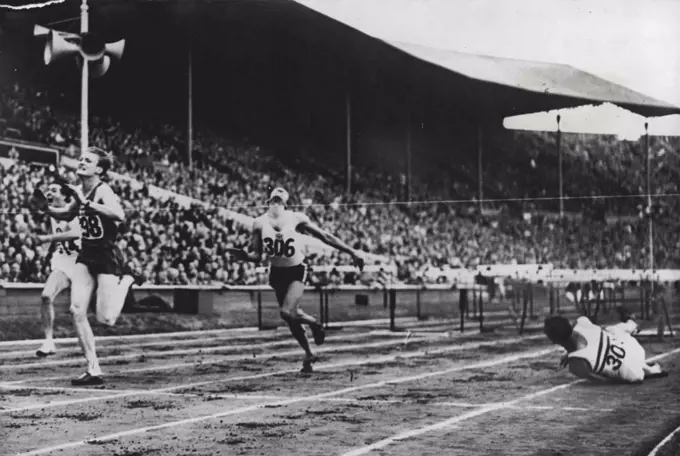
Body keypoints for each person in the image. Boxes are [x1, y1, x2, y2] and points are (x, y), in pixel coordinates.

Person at [228, 187, 365, 373]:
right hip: (276, 273)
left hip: (296, 270)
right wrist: (245, 256)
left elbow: (324, 236)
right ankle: (309, 353)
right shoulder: (259, 223)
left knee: (286, 311)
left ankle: (315, 323)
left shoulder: (296, 218)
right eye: (273, 200)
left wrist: (352, 251)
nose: (276, 204)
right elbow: (257, 255)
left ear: (286, 204)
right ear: (268, 202)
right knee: (292, 318)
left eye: (279, 201)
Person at [45, 147, 142, 385]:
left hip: (106, 254)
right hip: (86, 253)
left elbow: (119, 215)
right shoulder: (78, 190)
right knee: (76, 311)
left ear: (99, 169)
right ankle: (93, 368)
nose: (81, 162)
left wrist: (89, 204)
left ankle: (128, 279)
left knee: (106, 319)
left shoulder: (103, 190)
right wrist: (44, 208)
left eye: (88, 160)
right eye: (80, 159)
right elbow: (68, 214)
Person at [544, 306, 668, 384]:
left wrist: (571, 354)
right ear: (569, 324)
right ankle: (632, 324)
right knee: (610, 330)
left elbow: (603, 380)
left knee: (621, 369)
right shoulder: (581, 322)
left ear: (555, 341)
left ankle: (646, 369)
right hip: (635, 349)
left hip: (633, 373)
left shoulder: (576, 364)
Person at [32, 183, 82, 358]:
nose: (49, 192)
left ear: (65, 197)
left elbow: (76, 233)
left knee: (80, 310)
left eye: (54, 190)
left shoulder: (74, 212)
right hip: (63, 261)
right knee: (46, 296)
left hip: (83, 262)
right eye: (48, 189)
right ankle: (48, 341)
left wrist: (49, 238)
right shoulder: (52, 213)